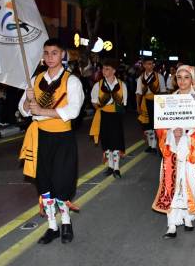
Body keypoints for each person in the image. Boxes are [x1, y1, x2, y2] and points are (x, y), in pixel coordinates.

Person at [18, 38, 84, 244]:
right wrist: (29, 102)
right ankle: (52, 226)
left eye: (54, 53)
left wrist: (42, 110)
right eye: (46, 53)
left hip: (62, 138)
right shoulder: (35, 80)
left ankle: (65, 222)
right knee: (44, 184)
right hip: (40, 137)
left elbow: (73, 111)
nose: (49, 57)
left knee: (62, 183)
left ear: (63, 54)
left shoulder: (71, 81)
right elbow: (23, 110)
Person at [152, 65, 195, 239]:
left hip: (190, 148)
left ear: (192, 80)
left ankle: (188, 216)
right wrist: (172, 133)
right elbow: (161, 127)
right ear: (175, 79)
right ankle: (171, 223)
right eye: (179, 77)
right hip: (173, 149)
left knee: (188, 181)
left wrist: (187, 136)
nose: (183, 81)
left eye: (187, 77)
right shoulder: (168, 101)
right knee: (172, 183)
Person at [89, 59, 127, 178]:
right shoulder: (98, 85)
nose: (104, 71)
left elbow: (123, 103)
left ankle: (116, 169)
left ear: (114, 71)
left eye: (107, 69)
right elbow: (94, 102)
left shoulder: (121, 85)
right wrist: (101, 107)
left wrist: (115, 107)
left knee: (116, 142)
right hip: (103, 116)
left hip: (116, 116)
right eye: (103, 68)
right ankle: (110, 167)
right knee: (106, 142)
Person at [137, 56, 167, 153]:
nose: (149, 66)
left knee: (156, 124)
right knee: (147, 125)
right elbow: (138, 93)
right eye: (147, 64)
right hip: (145, 102)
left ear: (153, 65)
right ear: (144, 65)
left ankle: (155, 145)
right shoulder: (140, 78)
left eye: (151, 64)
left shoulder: (159, 77)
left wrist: (162, 106)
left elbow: (163, 92)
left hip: (156, 102)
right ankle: (151, 145)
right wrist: (137, 106)